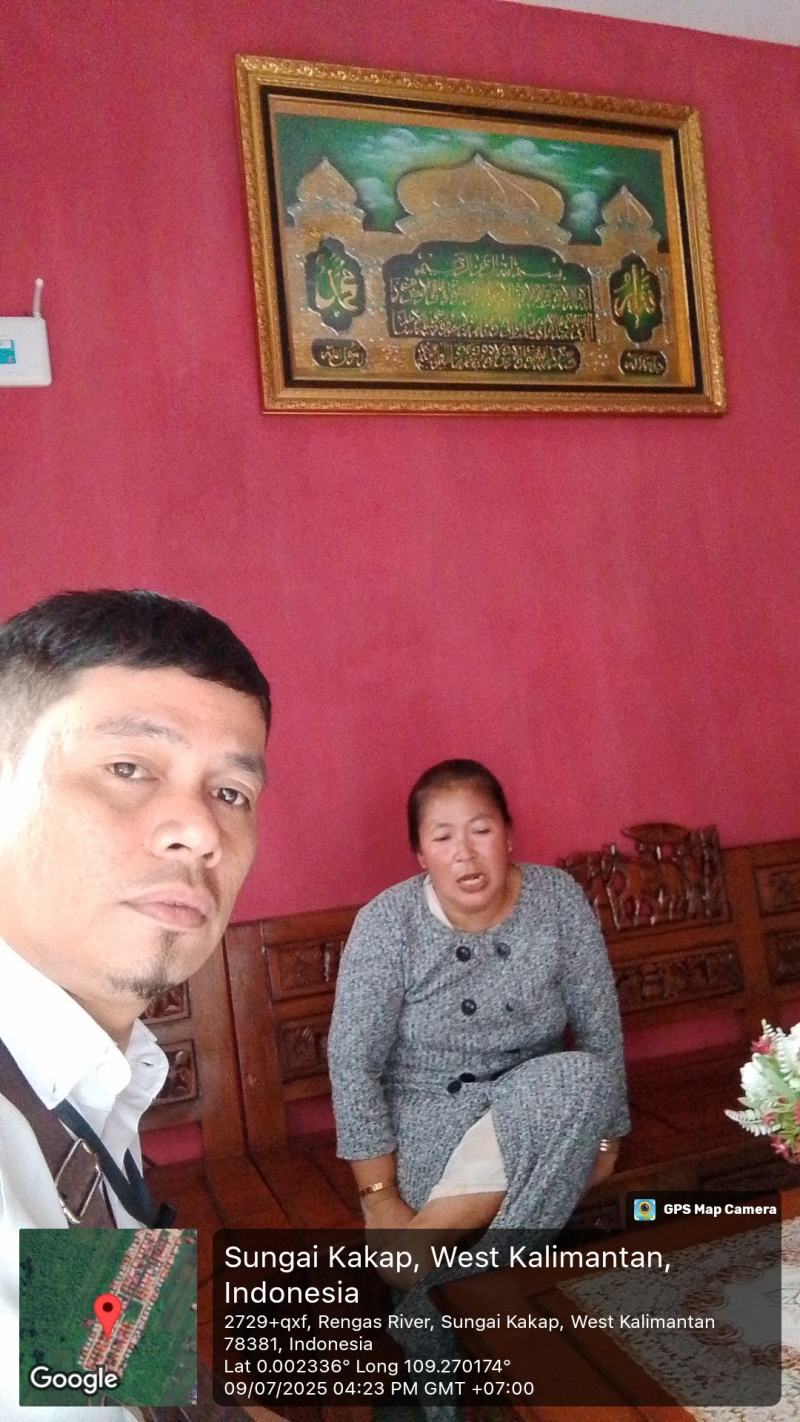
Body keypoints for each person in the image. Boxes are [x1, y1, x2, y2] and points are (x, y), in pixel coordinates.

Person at [0, 589, 271, 1422]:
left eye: (232, 792)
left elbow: (108, 1366)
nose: (201, 830)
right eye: (129, 768)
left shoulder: (98, 1074)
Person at [328, 759, 630, 1244]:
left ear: (508, 836)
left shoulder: (556, 898)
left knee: (584, 1078)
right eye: (442, 837)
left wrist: (606, 1138)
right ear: (420, 853)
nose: (464, 854)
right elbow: (352, 1063)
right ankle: (473, 1271)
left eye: (481, 830)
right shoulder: (386, 924)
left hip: (542, 1110)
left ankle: (418, 1266)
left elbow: (600, 1025)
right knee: (556, 1154)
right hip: (434, 1125)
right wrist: (379, 1196)